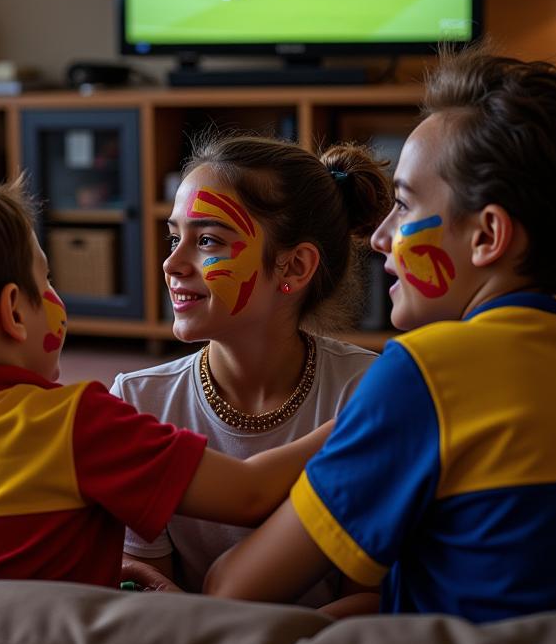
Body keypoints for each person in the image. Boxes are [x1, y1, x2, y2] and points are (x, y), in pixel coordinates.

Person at [204, 47, 556, 622]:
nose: (379, 238)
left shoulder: (429, 374)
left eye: (403, 205)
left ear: (488, 236)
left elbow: (232, 589)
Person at [0, 178, 334, 587]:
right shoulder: (76, 422)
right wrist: (371, 411)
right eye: (44, 280)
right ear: (13, 312)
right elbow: (249, 494)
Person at [115, 134, 391, 606]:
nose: (171, 263)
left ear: (294, 266)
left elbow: (365, 598)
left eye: (206, 241)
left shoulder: (365, 391)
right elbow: (148, 593)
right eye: (174, 237)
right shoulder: (139, 402)